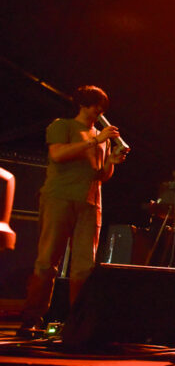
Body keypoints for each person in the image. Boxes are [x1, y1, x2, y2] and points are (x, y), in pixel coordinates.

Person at [18, 85, 126, 336]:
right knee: (47, 260)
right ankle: (31, 318)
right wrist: (95, 141)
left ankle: (77, 323)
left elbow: (100, 176)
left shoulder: (100, 137)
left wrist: (111, 161)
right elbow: (58, 155)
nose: (99, 111)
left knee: (84, 267)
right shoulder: (62, 126)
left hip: (90, 203)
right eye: (96, 105)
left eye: (102, 107)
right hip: (59, 198)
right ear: (83, 104)